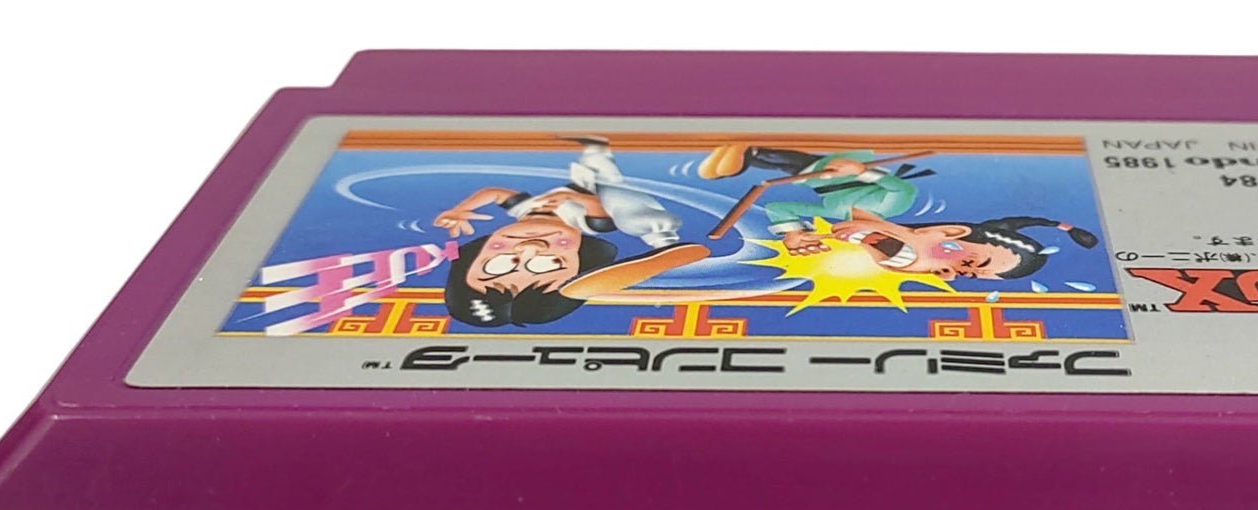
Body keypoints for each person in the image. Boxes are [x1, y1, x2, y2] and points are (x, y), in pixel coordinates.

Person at [432, 136, 707, 327]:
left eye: (499, 264)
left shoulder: (525, 209)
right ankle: (662, 240)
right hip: (597, 192)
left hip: (583, 182)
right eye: (548, 264)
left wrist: (460, 209)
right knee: (622, 202)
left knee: (597, 165)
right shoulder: (586, 223)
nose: (530, 249)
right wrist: (572, 199)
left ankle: (597, 147)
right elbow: (600, 207)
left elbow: (494, 192)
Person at [698, 145, 928, 254]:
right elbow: (902, 188)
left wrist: (793, 232)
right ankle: (743, 152)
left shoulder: (835, 213)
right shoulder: (891, 206)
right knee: (764, 157)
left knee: (743, 163)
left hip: (810, 174)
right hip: (845, 161)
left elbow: (778, 207)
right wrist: (860, 171)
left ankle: (737, 154)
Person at [785, 207, 1098, 281]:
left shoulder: (854, 256)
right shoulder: (872, 200)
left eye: (965, 274)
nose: (947, 272)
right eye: (970, 261)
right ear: (948, 232)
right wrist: (789, 227)